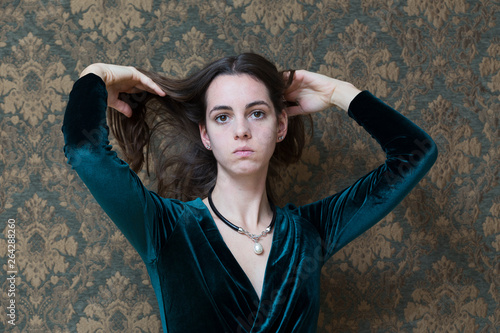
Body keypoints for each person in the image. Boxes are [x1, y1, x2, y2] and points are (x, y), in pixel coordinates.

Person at [62, 53, 437, 332]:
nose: (241, 129)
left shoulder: (312, 232)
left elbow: (415, 152)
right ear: (206, 136)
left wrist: (342, 93)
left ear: (280, 125)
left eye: (257, 113)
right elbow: (84, 152)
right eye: (223, 117)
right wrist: (97, 75)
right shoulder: (167, 230)